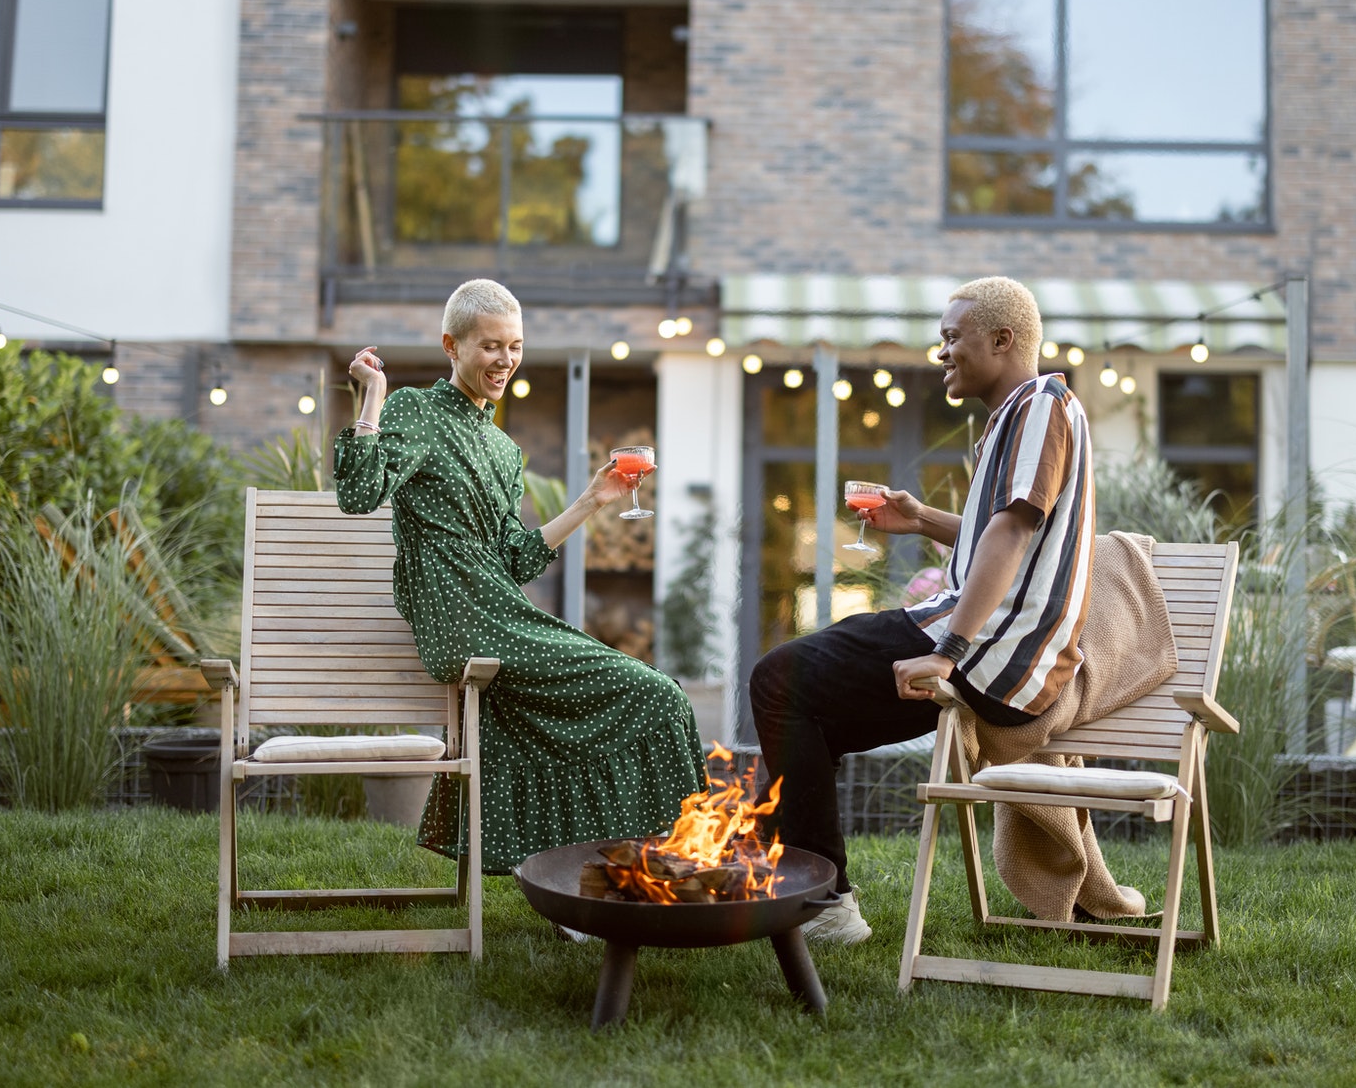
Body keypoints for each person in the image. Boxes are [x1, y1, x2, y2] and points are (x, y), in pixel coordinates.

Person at [751, 277, 1095, 945]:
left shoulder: (1041, 404)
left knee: (779, 680)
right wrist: (923, 521)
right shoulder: (1018, 415)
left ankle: (822, 902)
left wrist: (949, 650)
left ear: (1002, 340)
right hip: (987, 639)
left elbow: (1013, 533)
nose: (941, 353)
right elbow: (1000, 529)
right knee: (799, 711)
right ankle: (762, 877)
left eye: (951, 338)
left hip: (990, 649)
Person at [334, 278, 705, 875]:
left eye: (515, 346)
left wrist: (590, 500)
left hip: (500, 609)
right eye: (490, 346)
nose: (504, 360)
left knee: (581, 717)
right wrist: (373, 394)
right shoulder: (415, 409)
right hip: (459, 618)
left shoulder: (504, 450)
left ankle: (587, 877)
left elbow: (514, 557)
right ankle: (657, 863)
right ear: (451, 346)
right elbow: (357, 494)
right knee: (653, 693)